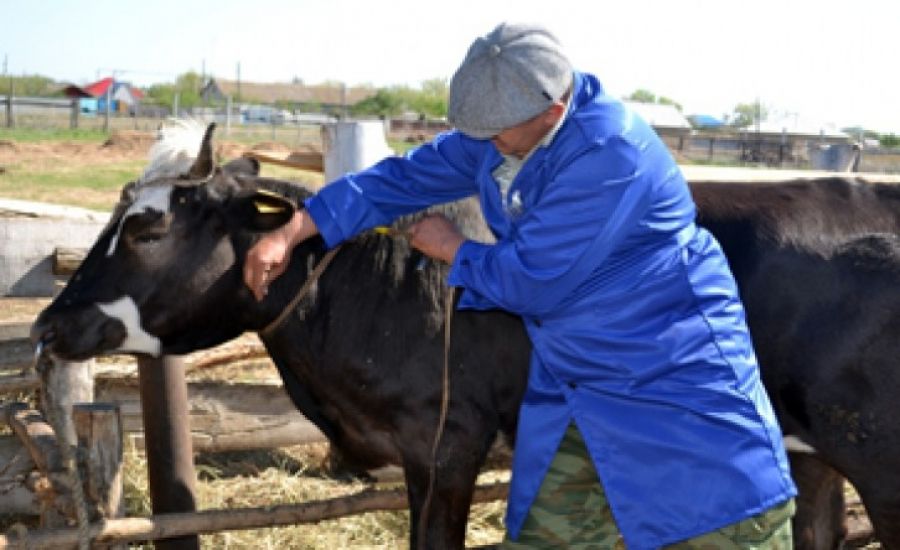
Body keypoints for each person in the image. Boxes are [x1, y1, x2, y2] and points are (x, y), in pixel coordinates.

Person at [244, 22, 797, 549]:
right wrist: (298, 226)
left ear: (554, 108)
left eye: (495, 133)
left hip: (671, 379)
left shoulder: (611, 155)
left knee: (717, 524)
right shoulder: (505, 130)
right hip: (578, 381)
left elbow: (534, 282)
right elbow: (405, 177)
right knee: (544, 536)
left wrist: (453, 248)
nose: (482, 143)